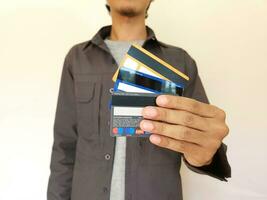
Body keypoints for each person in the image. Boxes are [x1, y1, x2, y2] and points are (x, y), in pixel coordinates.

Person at [47, 0, 231, 199]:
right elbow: (64, 147)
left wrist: (206, 156)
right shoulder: (77, 59)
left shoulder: (180, 61)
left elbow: (201, 137)